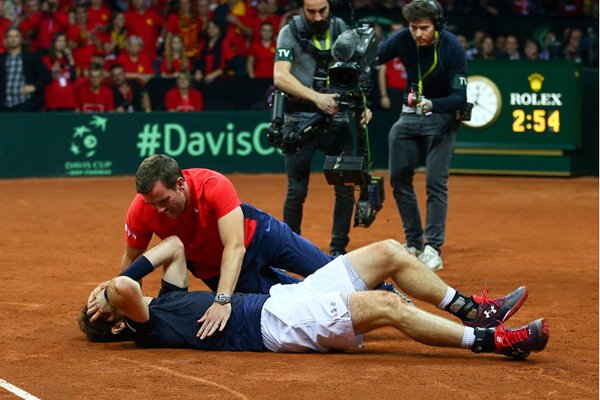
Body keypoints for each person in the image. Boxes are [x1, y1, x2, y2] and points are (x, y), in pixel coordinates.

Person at [81, 236, 549, 359]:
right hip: (275, 326)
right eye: (99, 305)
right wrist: (109, 290)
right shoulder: (146, 327)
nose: (104, 295)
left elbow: (173, 247)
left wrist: (110, 284)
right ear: (116, 321)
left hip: (284, 298)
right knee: (390, 307)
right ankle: (491, 340)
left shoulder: (164, 301)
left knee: (388, 251)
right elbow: (125, 288)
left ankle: (473, 308)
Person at [114, 153, 337, 333]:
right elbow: (132, 261)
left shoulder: (212, 184)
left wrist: (221, 301)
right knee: (291, 302)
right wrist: (126, 307)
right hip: (217, 270)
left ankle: (372, 289)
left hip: (262, 236)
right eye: (152, 204)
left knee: (329, 271)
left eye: (164, 201)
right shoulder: (141, 209)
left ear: (180, 184)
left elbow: (235, 246)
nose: (159, 210)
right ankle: (352, 309)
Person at [376, 0, 468, 272]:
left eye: (424, 28)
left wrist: (433, 105)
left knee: (435, 182)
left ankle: (433, 248)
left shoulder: (452, 46)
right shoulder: (404, 39)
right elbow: (376, 56)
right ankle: (414, 243)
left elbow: (460, 97)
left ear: (437, 26)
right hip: (411, 114)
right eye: (414, 28)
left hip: (442, 116)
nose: (418, 34)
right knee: (398, 177)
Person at [273, 0, 357, 257]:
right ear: (302, 9)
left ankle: (337, 251)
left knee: (345, 187)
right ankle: (291, 252)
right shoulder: (289, 32)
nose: (318, 16)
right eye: (311, 11)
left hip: (337, 117)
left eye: (323, 10)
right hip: (299, 119)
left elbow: (358, 71)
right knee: (296, 191)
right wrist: (316, 97)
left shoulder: (342, 28)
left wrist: (362, 105)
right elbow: (280, 76)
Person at [0, 27, 50, 111]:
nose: (13, 39)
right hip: (4, 106)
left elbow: (46, 75)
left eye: (16, 36)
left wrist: (34, 86)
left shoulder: (31, 57)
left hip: (25, 103)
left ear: (21, 39)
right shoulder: (1, 59)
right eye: (10, 36)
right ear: (6, 40)